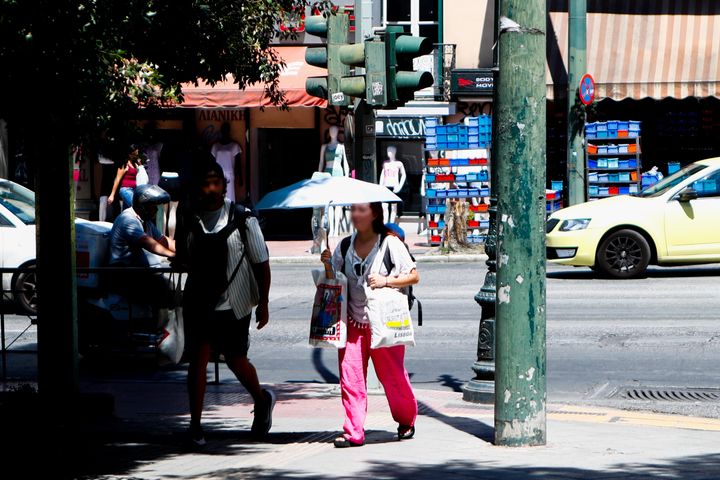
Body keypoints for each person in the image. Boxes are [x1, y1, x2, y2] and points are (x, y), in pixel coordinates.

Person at [176, 160, 274, 447]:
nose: (210, 188)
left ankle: (261, 399)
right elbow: (184, 255)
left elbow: (261, 262)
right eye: (205, 183)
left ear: (224, 185)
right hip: (199, 301)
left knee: (235, 359)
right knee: (198, 360)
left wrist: (264, 302)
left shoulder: (243, 218)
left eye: (215, 182)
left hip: (234, 301)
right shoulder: (190, 217)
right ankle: (195, 425)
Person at [320, 202, 420, 448]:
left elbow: (414, 275)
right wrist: (326, 264)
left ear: (374, 213)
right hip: (352, 324)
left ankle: (406, 419)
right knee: (350, 378)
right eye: (352, 209)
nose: (354, 214)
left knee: (393, 378)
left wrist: (386, 280)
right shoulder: (345, 245)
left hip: (383, 322)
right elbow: (335, 279)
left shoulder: (390, 243)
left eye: (360, 210)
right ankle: (354, 431)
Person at [108, 184, 176, 306]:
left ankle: (158, 321)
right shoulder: (128, 219)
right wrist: (172, 255)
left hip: (136, 271)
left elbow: (162, 240)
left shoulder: (146, 220)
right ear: (142, 206)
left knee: (167, 287)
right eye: (153, 206)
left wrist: (183, 250)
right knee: (163, 287)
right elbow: (148, 243)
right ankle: (155, 323)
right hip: (122, 274)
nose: (156, 209)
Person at [210, 122, 243, 202]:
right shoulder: (215, 146)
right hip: (218, 174)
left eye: (226, 129)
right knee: (218, 196)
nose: (225, 131)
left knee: (230, 197)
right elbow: (212, 163)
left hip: (230, 174)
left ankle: (230, 213)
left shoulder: (234, 146)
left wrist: (241, 177)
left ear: (229, 131)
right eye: (223, 129)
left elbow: (238, 163)